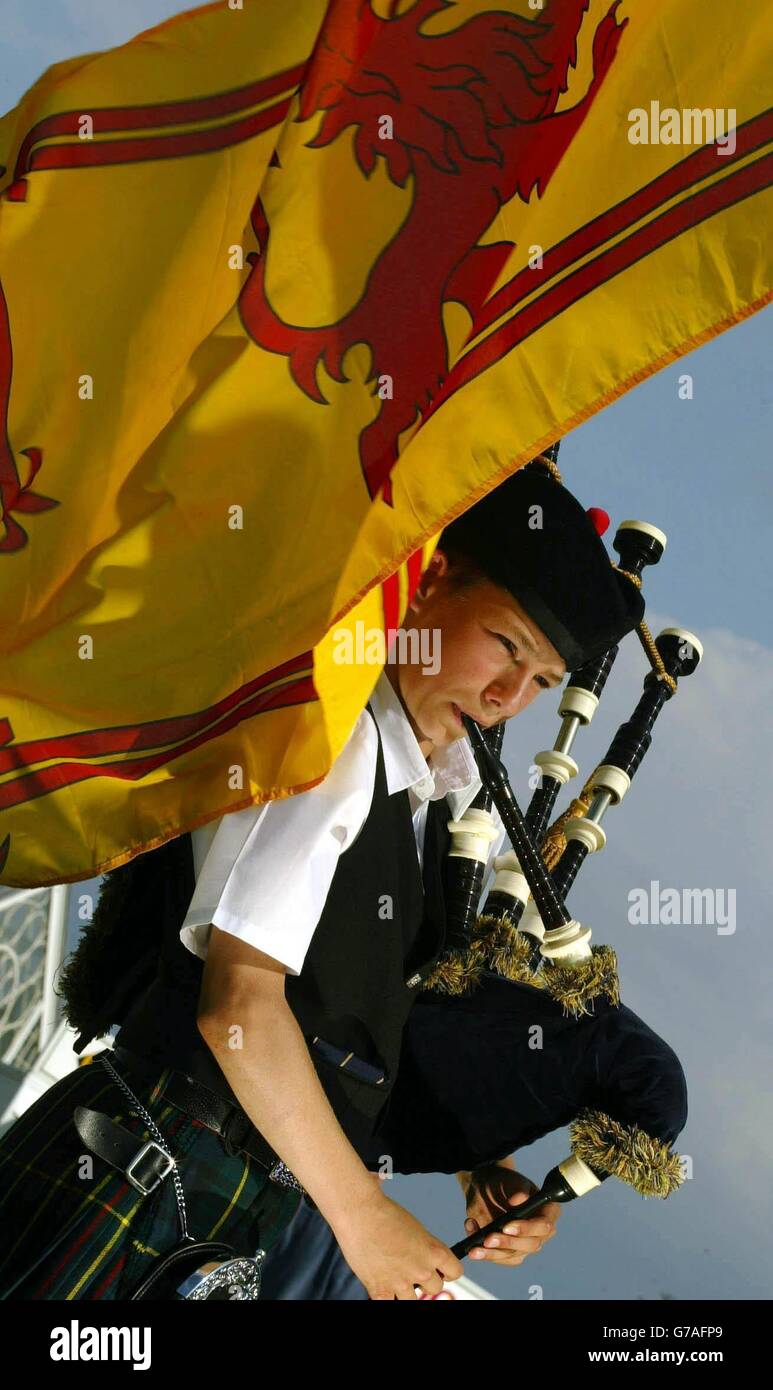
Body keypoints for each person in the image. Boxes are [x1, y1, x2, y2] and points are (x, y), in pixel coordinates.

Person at [0, 457, 645, 1300]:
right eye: (505, 645)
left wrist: (475, 1163)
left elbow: (332, 1022)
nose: (504, 697)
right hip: (144, 1172)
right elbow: (237, 1008)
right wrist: (363, 1218)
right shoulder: (327, 737)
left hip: (198, 1202)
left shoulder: (406, 792)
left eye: (541, 683)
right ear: (429, 580)